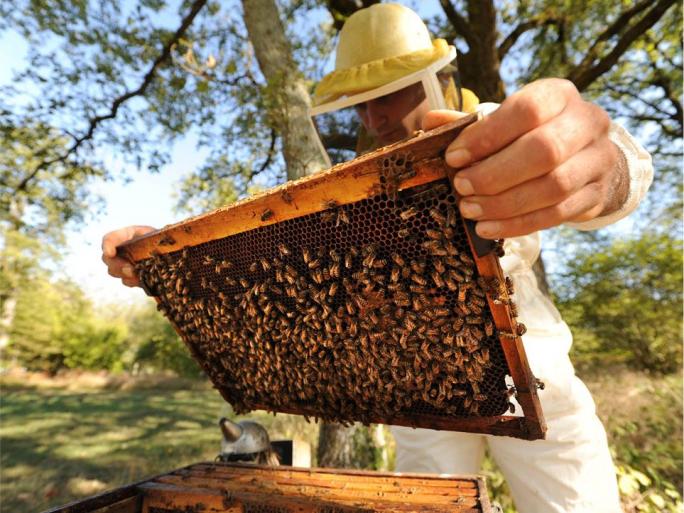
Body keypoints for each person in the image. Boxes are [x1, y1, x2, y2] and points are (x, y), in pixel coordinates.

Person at [103, 4, 653, 512]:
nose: (371, 119)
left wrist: (607, 170)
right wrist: (167, 259)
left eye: (387, 95)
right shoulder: (347, 193)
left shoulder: (489, 127)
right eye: (357, 105)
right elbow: (269, 263)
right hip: (420, 393)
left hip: (536, 374)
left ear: (436, 83)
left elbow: (612, 161)